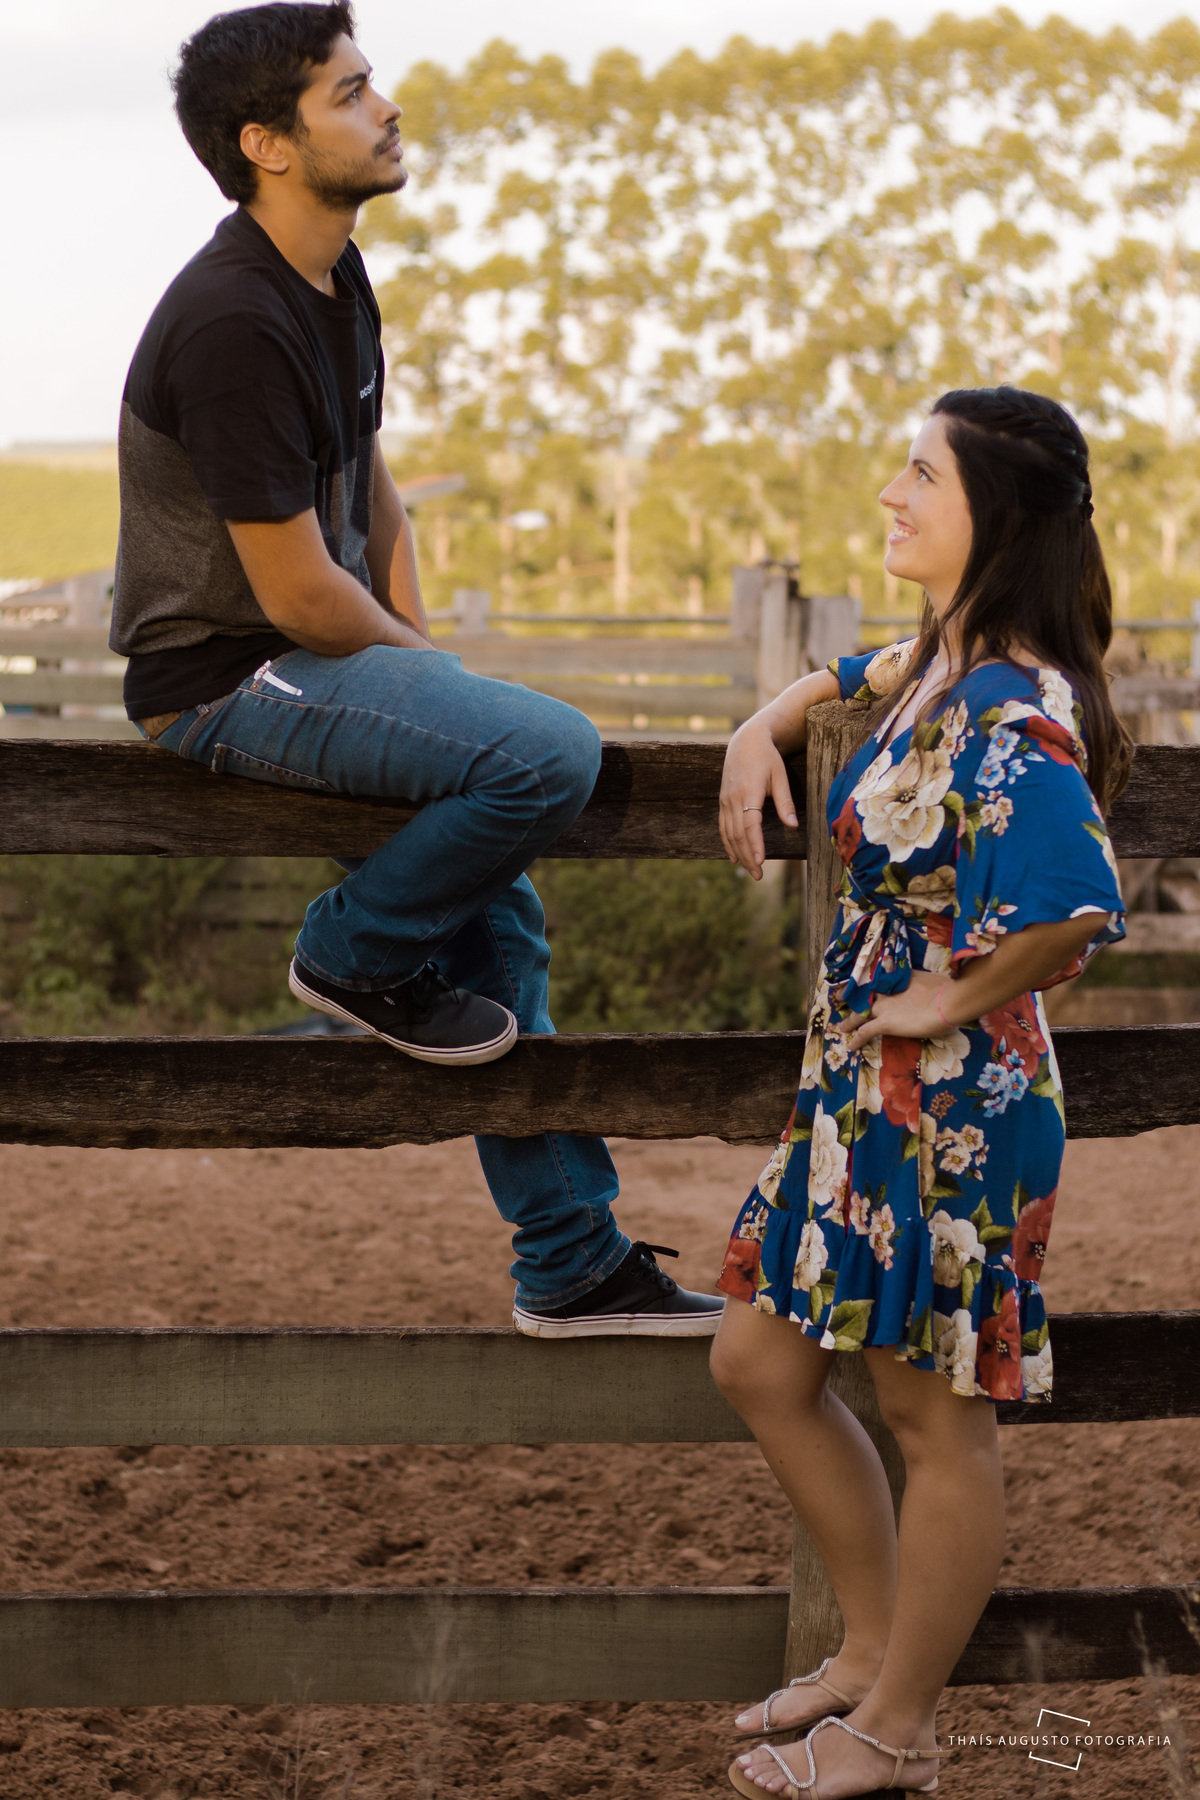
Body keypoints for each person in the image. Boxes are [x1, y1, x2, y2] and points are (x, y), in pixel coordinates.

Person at [109, 1, 722, 1341]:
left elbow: (370, 490)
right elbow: (291, 592)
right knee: (548, 753)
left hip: (313, 657)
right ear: (267, 143)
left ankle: (571, 1262)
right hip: (225, 678)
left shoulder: (335, 279)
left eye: (371, 80)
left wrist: (430, 667)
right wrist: (442, 685)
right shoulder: (228, 322)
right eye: (349, 91)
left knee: (502, 930)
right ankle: (348, 954)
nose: (385, 106)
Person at [709, 386, 1128, 1798]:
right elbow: (871, 670)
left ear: (992, 521)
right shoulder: (949, 660)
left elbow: (1075, 904)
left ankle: (894, 1729)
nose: (889, 493)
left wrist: (950, 993)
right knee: (761, 1362)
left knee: (934, 1418)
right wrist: (766, 718)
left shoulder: (1014, 706)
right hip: (860, 1090)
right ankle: (869, 1652)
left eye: (920, 476)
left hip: (951, 1103)